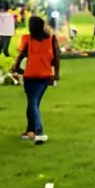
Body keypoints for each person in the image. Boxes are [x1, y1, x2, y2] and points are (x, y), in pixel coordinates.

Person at [12, 16, 60, 145]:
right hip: (44, 76)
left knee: (33, 103)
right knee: (33, 104)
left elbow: (21, 55)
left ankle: (39, 132)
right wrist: (56, 74)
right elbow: (56, 58)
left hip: (31, 76)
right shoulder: (50, 39)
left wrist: (15, 67)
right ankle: (31, 130)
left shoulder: (29, 39)